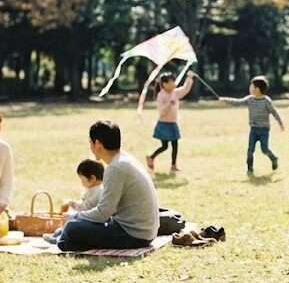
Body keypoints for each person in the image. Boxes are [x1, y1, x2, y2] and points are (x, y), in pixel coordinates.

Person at [55, 120, 159, 252]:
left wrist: (74, 216)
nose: (90, 147)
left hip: (134, 235)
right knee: (75, 227)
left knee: (71, 227)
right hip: (144, 232)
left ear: (97, 144)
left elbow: (103, 213)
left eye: (90, 142)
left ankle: (69, 239)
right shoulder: (124, 159)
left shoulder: (116, 168)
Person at [219, 76, 284, 174]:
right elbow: (238, 102)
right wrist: (226, 100)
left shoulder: (266, 101)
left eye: (251, 86)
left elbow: (274, 112)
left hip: (264, 130)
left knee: (264, 149)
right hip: (253, 129)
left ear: (257, 89)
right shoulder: (250, 99)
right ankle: (250, 169)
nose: (250, 88)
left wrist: (280, 123)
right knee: (250, 150)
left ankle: (274, 158)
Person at [43, 159, 106, 244]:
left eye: (82, 179)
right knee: (63, 228)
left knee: (71, 224)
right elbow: (85, 205)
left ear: (92, 178)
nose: (81, 183)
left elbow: (85, 208)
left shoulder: (96, 192)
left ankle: (58, 239)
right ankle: (56, 235)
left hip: (92, 222)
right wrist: (73, 204)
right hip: (88, 219)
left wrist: (72, 206)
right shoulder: (94, 190)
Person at [146, 71, 195, 172]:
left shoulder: (175, 93)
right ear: (164, 84)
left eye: (173, 81)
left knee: (175, 144)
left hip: (173, 123)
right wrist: (170, 103)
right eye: (170, 82)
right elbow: (162, 112)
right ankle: (151, 157)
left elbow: (185, 89)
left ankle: (173, 165)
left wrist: (189, 78)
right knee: (164, 146)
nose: (173, 83)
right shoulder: (161, 95)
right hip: (164, 124)